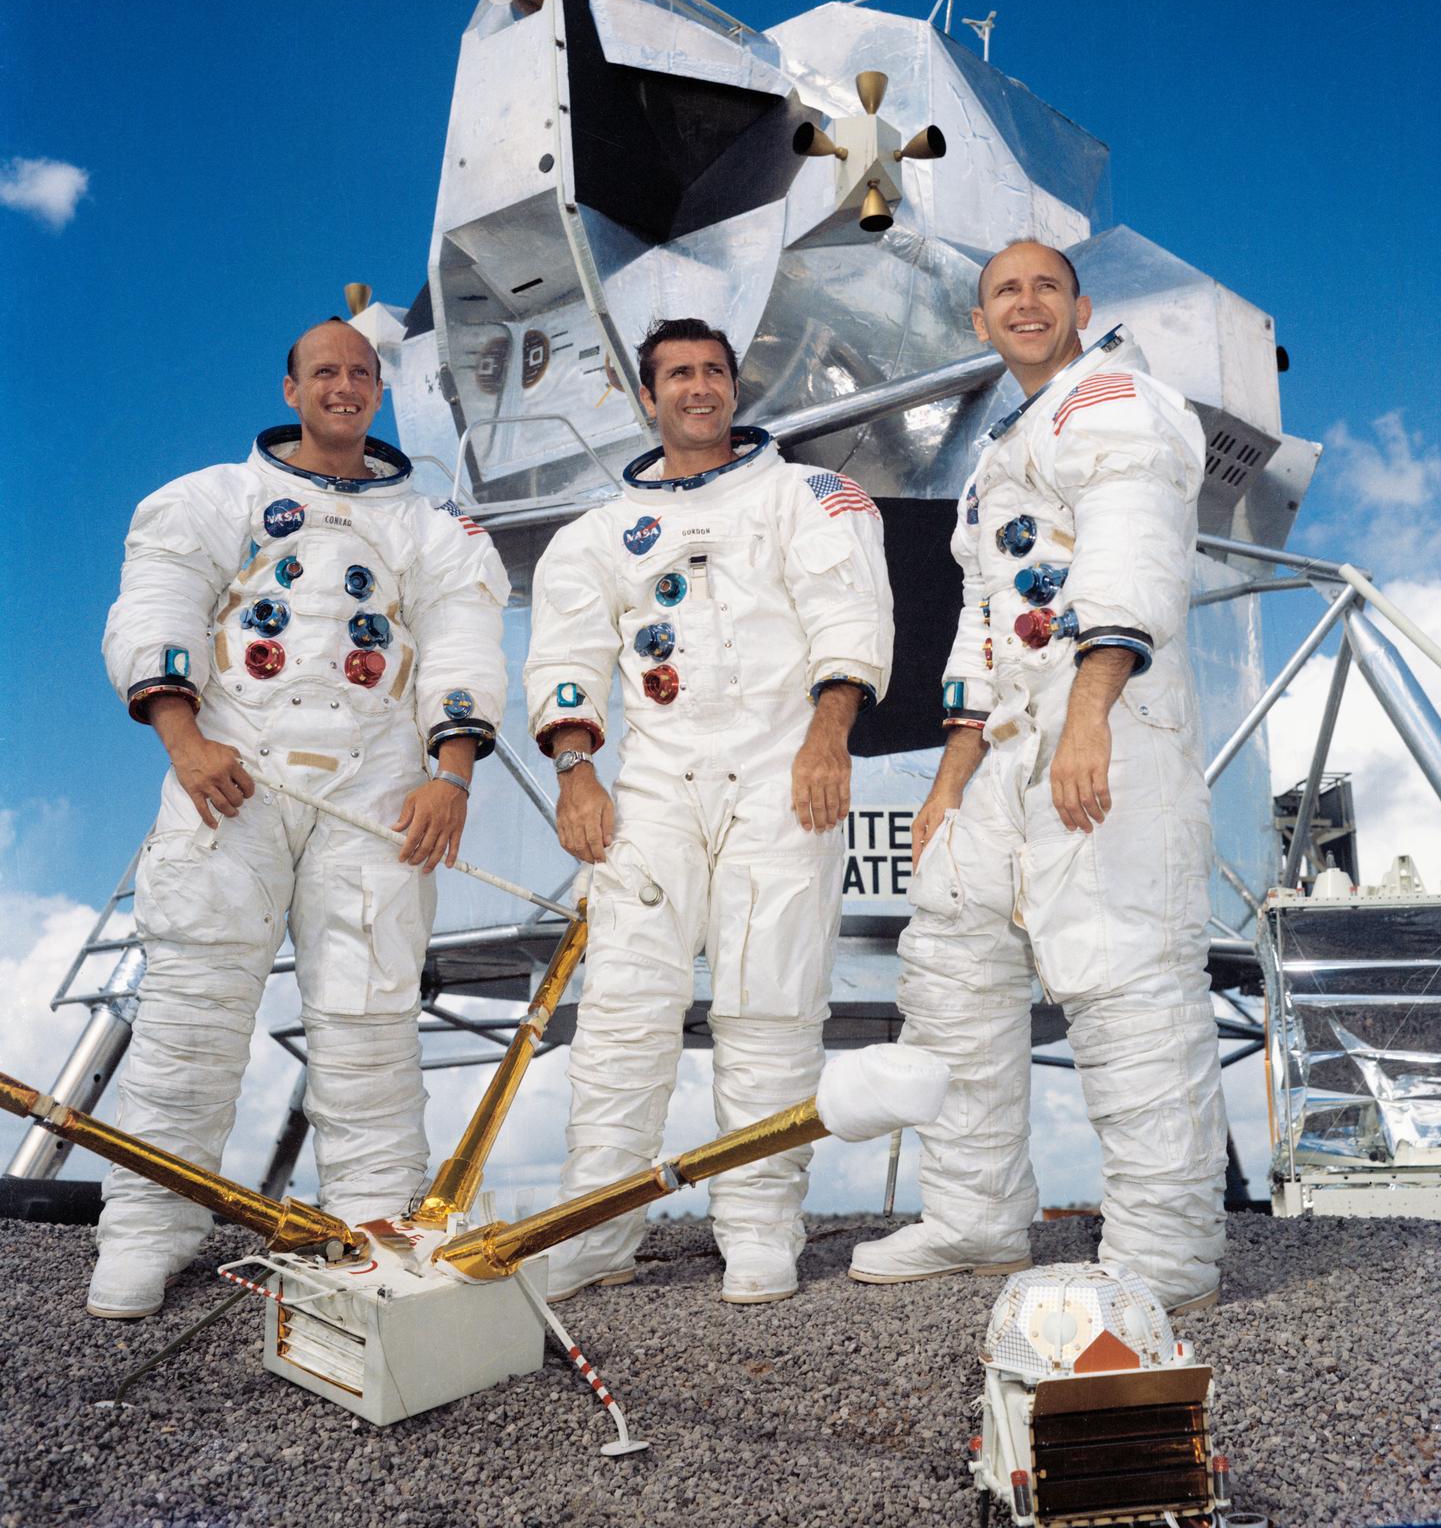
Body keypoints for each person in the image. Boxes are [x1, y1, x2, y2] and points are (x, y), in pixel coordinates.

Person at [91, 319, 509, 1318]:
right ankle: (145, 1233)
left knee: (368, 1023)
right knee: (190, 1020)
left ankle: (374, 1236)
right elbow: (156, 609)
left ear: (377, 392)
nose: (345, 386)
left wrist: (450, 777)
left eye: (361, 373)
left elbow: (461, 646)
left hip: (374, 788)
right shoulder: (209, 501)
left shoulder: (432, 529)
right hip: (230, 777)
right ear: (291, 388)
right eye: (325, 371)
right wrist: (185, 743)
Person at [848, 239, 1227, 1312]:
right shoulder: (1005, 448)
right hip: (1009, 750)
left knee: (1125, 977)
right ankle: (976, 1214)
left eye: (1044, 287)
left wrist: (1092, 715)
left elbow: (1129, 556)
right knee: (953, 964)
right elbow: (980, 627)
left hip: (1110, 726)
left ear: (1079, 305)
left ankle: (1165, 1254)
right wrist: (948, 779)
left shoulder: (1117, 402)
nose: (1025, 302)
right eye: (1004, 291)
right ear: (980, 323)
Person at [525, 316, 893, 1305]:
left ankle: (760, 1226)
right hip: (655, 777)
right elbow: (565, 661)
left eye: (714, 372)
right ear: (648, 398)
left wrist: (829, 737)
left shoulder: (809, 496)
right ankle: (593, 1228)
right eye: (678, 375)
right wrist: (575, 773)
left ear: (735, 387)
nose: (698, 387)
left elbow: (848, 616)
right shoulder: (593, 536)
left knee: (770, 1001)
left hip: (782, 764)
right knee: (623, 1008)